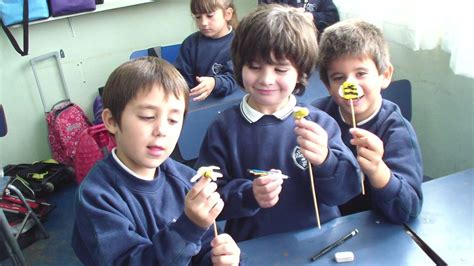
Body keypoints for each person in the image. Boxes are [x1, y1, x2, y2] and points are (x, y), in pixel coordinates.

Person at [195, 4, 360, 242]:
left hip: (320, 241)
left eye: (281, 69)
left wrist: (326, 160)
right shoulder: (223, 128)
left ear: (300, 71)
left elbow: (347, 191)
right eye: (254, 67)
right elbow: (210, 197)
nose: (266, 79)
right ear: (239, 65)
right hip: (253, 248)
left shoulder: (320, 124)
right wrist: (249, 195)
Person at [71, 57, 241, 265]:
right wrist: (189, 227)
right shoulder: (97, 196)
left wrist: (219, 259)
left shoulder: (187, 179)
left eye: (173, 120)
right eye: (147, 116)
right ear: (112, 121)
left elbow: (204, 247)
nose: (162, 130)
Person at [312, 19, 423, 224]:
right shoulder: (317, 117)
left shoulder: (396, 130)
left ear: (385, 75)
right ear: (327, 85)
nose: (350, 85)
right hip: (325, 226)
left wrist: (377, 170)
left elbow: (408, 209)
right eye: (338, 77)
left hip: (375, 229)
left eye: (361, 73)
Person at [174, 0, 239, 102]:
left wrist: (214, 83)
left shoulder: (239, 43)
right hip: (196, 104)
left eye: (210, 15)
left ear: (228, 14)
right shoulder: (190, 43)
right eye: (198, 17)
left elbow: (235, 79)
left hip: (226, 104)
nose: (203, 23)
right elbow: (181, 79)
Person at [257, 0, 340, 33]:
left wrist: (312, 17)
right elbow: (263, 16)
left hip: (311, 47)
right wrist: (289, 15)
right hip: (280, 42)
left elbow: (333, 17)